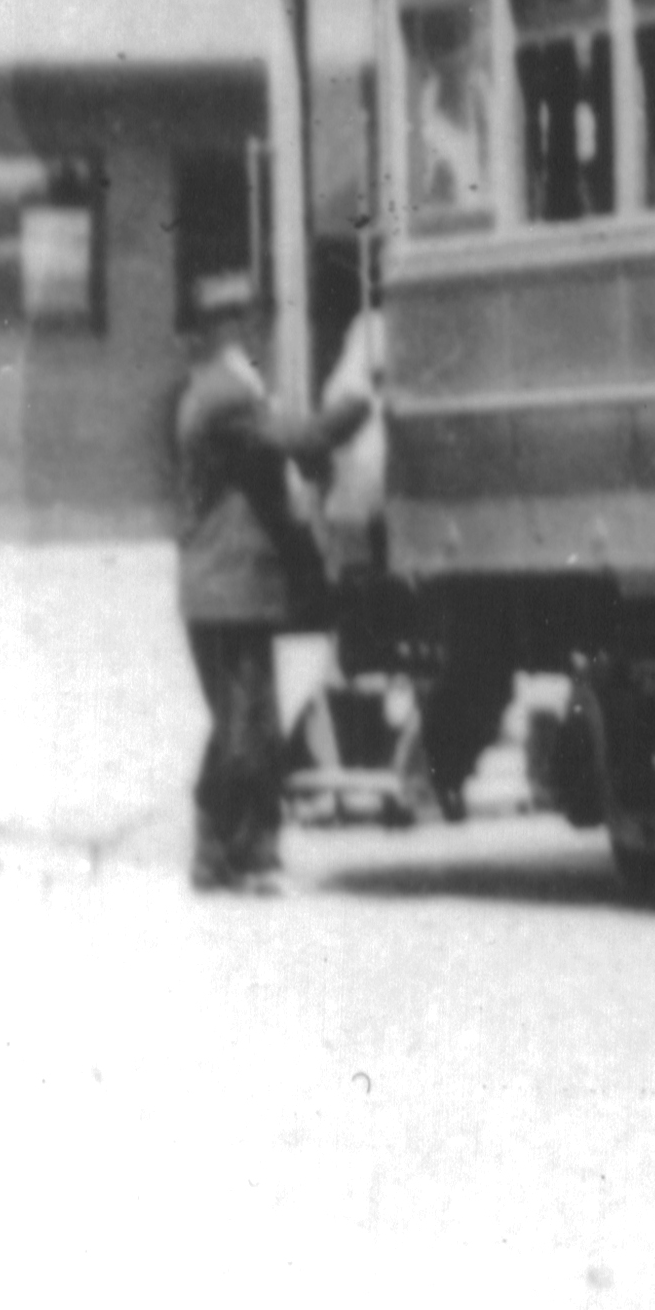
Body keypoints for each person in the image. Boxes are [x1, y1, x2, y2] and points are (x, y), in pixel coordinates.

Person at [173, 273, 373, 895]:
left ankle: (233, 854)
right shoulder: (228, 393)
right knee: (245, 726)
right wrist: (364, 397)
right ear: (232, 326)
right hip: (229, 585)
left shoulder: (226, 389)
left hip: (229, 586)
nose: (261, 327)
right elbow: (301, 436)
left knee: (244, 723)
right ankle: (233, 854)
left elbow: (278, 451)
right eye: (251, 318)